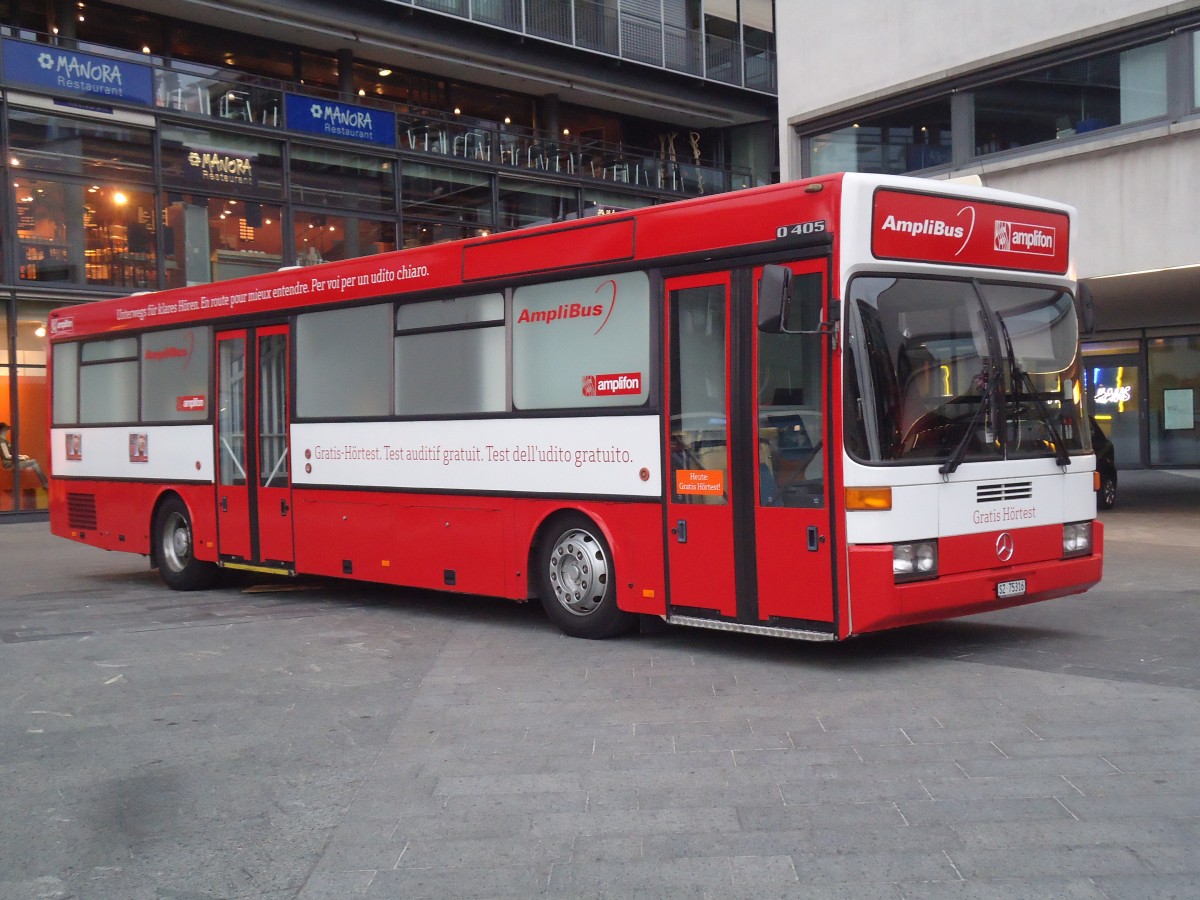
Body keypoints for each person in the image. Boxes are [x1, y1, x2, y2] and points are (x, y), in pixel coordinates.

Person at [0, 421, 49, 489]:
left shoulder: (4, 441)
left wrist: (22, 456)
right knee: (33, 462)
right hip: (9, 464)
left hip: (12, 462)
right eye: (6, 430)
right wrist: (21, 458)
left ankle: (45, 483)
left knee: (31, 463)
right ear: (2, 430)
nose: (7, 431)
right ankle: (45, 484)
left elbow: (11, 454)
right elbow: (7, 456)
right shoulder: (2, 442)